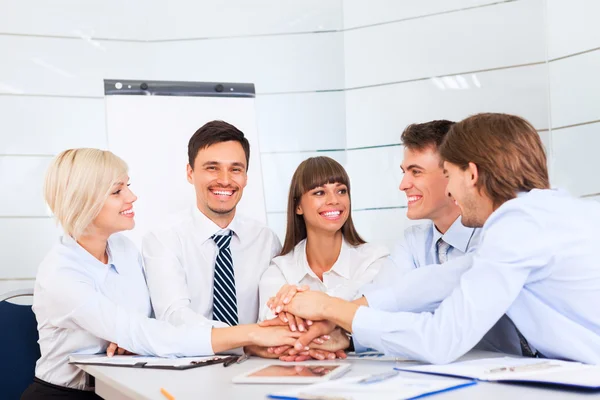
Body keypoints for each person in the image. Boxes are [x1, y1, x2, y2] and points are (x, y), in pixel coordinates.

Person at [276, 113, 600, 364]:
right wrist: (337, 314)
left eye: (450, 174)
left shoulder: (517, 224)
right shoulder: (539, 216)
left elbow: (440, 340)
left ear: (470, 174)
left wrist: (332, 309)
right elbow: (443, 279)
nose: (449, 188)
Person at [21, 149, 305, 400]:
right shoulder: (61, 274)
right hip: (67, 394)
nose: (132, 197)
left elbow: (149, 322)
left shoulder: (123, 248)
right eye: (117, 191)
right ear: (83, 199)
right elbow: (144, 331)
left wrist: (130, 339)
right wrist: (251, 334)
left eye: (127, 187)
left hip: (123, 386)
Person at [141, 121, 345, 359]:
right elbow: (174, 317)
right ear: (190, 173)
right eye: (212, 168)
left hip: (258, 366)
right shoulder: (163, 239)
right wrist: (248, 339)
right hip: (190, 366)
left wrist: (303, 342)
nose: (225, 180)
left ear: (246, 176)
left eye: (235, 169)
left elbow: (277, 313)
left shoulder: (265, 240)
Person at [258, 157, 388, 360]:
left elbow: (383, 320)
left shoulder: (375, 260)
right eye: (319, 192)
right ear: (298, 207)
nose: (334, 200)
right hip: (291, 378)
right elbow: (270, 330)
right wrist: (339, 324)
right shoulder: (278, 269)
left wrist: (304, 311)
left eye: (341, 191)